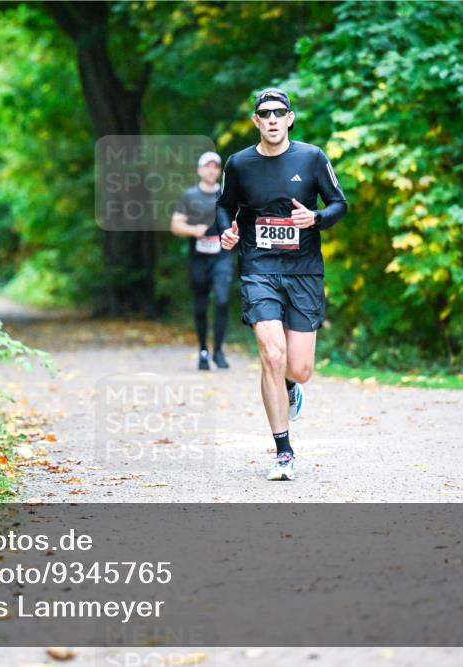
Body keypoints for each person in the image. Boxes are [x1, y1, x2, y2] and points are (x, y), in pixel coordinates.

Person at [218, 87, 348, 481]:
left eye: (279, 112)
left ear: (290, 118)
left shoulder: (311, 158)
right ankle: (284, 451)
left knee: (300, 368)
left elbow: (339, 203)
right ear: (256, 121)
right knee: (271, 356)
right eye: (265, 113)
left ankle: (292, 387)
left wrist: (317, 219)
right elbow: (224, 205)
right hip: (258, 267)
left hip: (304, 270)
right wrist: (226, 231)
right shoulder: (239, 164)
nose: (272, 119)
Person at [171, 151, 234, 370]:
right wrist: (193, 229)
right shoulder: (189, 196)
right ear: (199, 170)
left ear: (219, 171)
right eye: (207, 166)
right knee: (200, 305)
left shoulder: (227, 195)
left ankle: (218, 350)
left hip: (222, 256)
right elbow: (175, 225)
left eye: (215, 166)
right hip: (198, 257)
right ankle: (203, 351)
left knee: (222, 300)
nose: (211, 170)